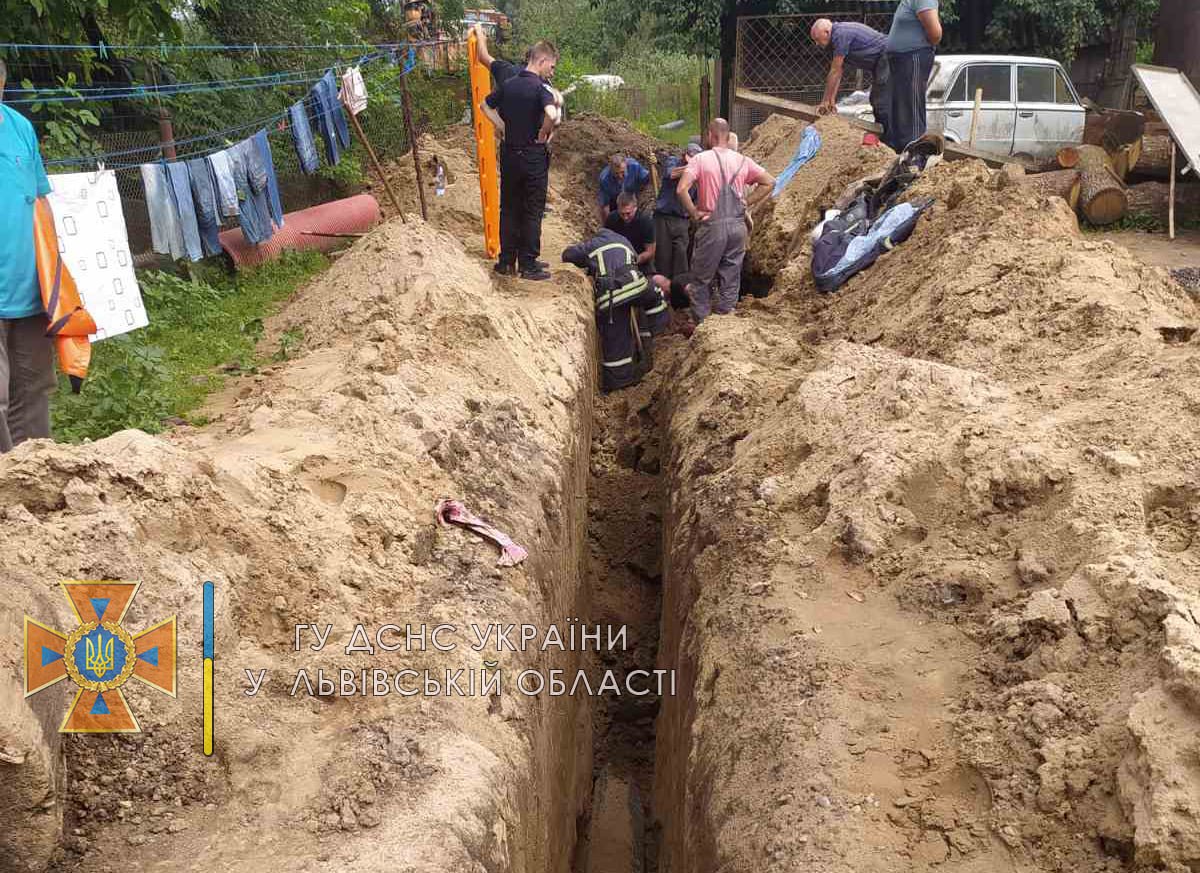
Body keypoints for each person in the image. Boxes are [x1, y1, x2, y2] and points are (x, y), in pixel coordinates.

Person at [0, 59, 56, 453]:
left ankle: (38, 481)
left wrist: (55, 273)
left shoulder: (20, 128)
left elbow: (40, 200)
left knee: (34, 389)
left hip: (30, 289)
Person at [676, 118, 775, 323]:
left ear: (710, 136)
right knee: (730, 277)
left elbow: (681, 188)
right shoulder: (742, 160)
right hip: (738, 227)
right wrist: (746, 202)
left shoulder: (701, 159)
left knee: (701, 280)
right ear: (728, 137)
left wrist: (694, 212)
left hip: (712, 227)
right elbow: (769, 182)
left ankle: (704, 327)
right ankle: (725, 322)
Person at [481, 41, 560, 280]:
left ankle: (506, 262)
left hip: (509, 154)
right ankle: (528, 264)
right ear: (542, 60)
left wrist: (502, 126)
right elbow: (552, 114)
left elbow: (484, 104)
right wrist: (544, 133)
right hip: (533, 156)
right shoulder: (541, 88)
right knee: (532, 210)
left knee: (509, 208)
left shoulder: (509, 84)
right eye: (552, 67)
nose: (552, 72)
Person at [562, 228, 666, 393]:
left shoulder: (593, 245)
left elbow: (567, 255)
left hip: (610, 297)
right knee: (655, 296)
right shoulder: (625, 242)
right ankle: (657, 338)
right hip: (636, 285)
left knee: (616, 341)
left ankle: (619, 384)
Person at [810, 18, 891, 143]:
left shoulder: (840, 34)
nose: (816, 43)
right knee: (877, 99)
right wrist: (831, 100)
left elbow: (835, 71)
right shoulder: (836, 38)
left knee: (880, 100)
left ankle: (887, 139)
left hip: (887, 56)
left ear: (826, 32)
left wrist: (824, 101)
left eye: (817, 39)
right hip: (881, 61)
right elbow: (839, 71)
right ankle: (883, 135)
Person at [473, 25, 564, 135]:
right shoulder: (543, 84)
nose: (552, 73)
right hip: (533, 144)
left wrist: (480, 34)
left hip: (509, 142)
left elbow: (483, 56)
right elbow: (551, 118)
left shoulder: (505, 70)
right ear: (539, 60)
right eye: (552, 67)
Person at [885, 0, 941, 152]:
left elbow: (935, 33)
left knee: (911, 106)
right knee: (901, 106)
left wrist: (920, 43)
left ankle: (916, 154)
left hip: (913, 55)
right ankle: (902, 152)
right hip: (904, 58)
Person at [653, 142, 701, 285]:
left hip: (682, 221)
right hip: (663, 219)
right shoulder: (673, 161)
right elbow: (671, 173)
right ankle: (663, 293)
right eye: (688, 158)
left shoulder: (700, 177)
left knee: (681, 258)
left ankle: (679, 294)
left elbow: (697, 200)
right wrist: (693, 168)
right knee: (663, 257)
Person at [604, 192, 655, 270]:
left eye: (628, 213)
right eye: (622, 214)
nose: (625, 217)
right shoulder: (612, 219)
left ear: (635, 208)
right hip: (617, 262)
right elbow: (605, 243)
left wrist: (636, 260)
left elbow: (650, 251)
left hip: (641, 262)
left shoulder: (645, 221)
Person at [597, 154, 651, 223]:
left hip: (633, 197)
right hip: (614, 204)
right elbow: (605, 206)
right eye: (616, 173)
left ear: (626, 166)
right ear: (611, 169)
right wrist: (608, 225)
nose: (620, 176)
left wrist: (651, 166)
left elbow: (650, 179)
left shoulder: (634, 166)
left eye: (622, 172)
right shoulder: (605, 179)